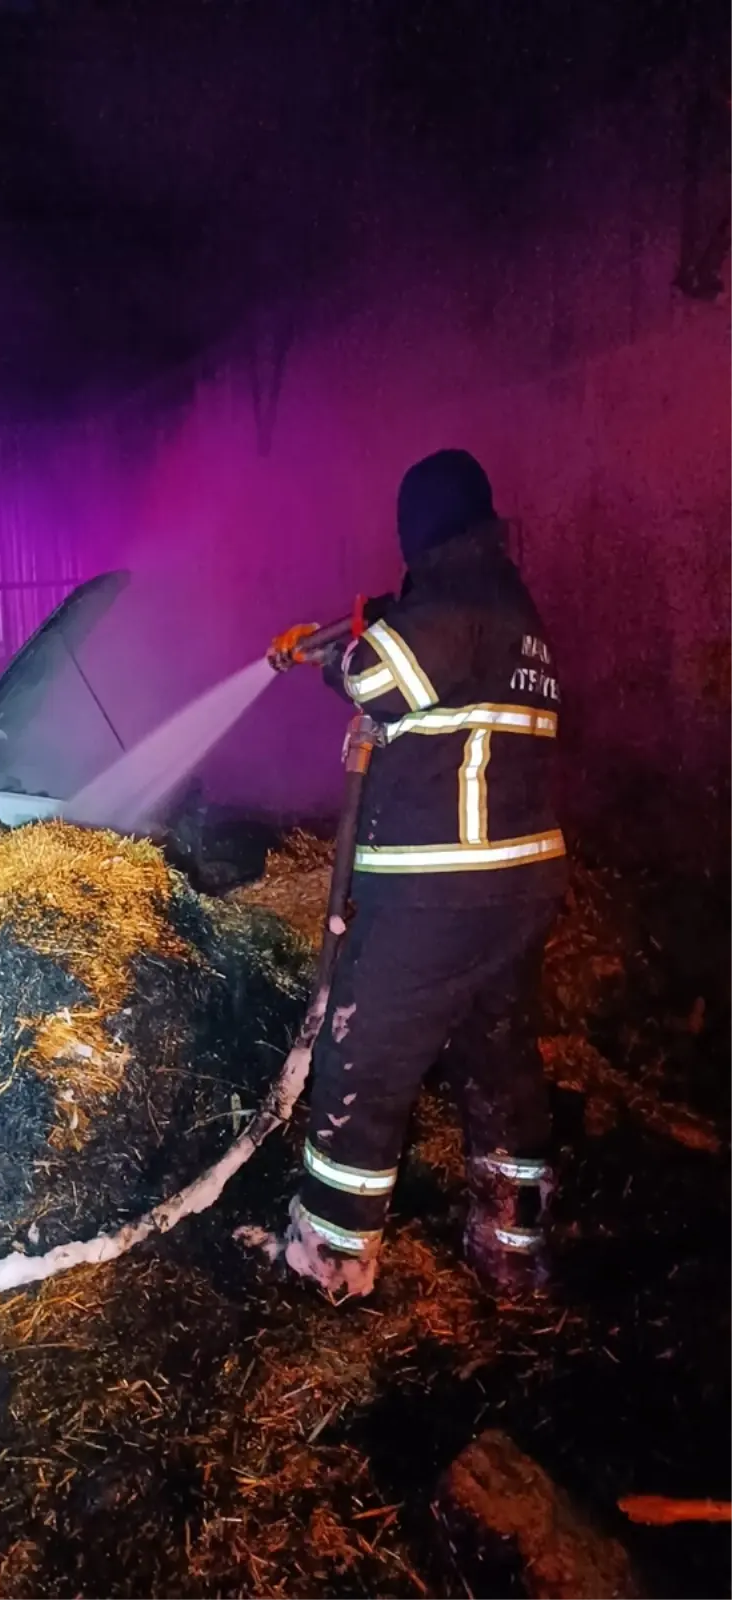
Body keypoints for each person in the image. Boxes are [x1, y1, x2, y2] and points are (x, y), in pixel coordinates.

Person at [269, 449, 566, 1302]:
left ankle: (330, 1258)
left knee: (366, 1054)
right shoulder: (512, 607)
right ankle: (513, 1250)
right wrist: (354, 624)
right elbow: (420, 667)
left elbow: (375, 675)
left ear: (422, 527)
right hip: (518, 891)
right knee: (497, 1054)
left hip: (440, 892)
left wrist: (332, 656)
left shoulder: (454, 599)